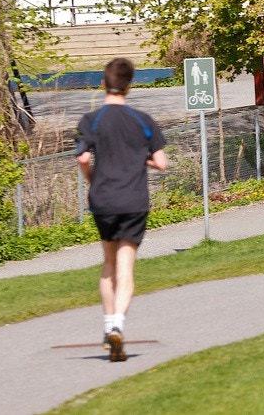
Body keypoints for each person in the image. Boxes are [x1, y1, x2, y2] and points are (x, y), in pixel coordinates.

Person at [76, 57, 168, 362]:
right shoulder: (142, 120)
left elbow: (82, 159)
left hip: (103, 200)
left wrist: (92, 181)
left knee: (108, 264)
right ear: (130, 86)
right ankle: (118, 325)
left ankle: (107, 328)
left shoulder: (91, 120)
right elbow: (162, 163)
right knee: (127, 266)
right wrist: (141, 159)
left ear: (103, 83)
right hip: (133, 201)